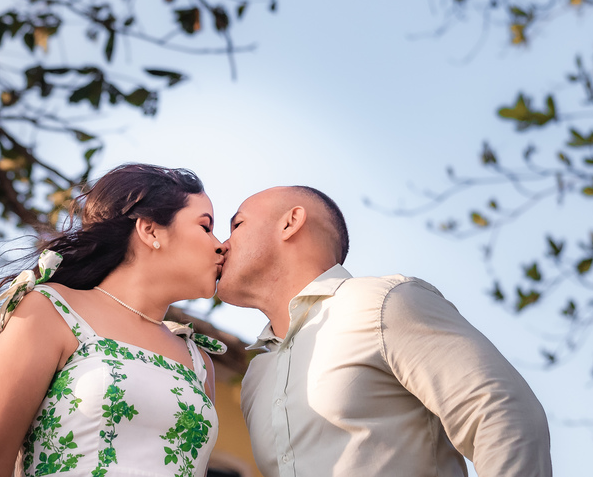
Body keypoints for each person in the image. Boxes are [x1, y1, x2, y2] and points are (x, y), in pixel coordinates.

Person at [216, 185, 552, 477]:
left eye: (237, 224)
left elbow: (500, 412)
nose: (222, 245)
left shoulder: (381, 303)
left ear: (290, 222)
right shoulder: (255, 378)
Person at [0, 163, 228, 477]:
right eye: (205, 227)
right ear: (150, 230)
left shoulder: (198, 362)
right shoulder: (51, 311)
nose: (220, 244)